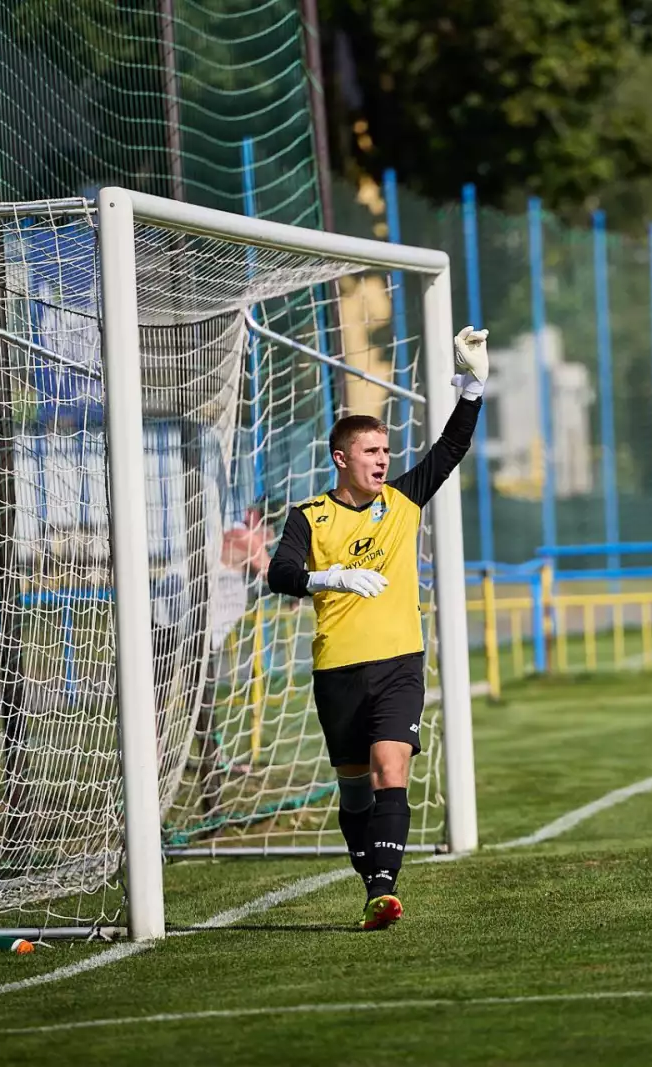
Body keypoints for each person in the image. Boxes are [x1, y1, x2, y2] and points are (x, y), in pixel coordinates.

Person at [266, 326, 489, 930]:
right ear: (342, 458)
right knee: (355, 789)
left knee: (393, 766)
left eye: (386, 452)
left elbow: (448, 452)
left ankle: (386, 887)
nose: (383, 460)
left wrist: (471, 392)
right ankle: (371, 884)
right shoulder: (308, 515)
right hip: (337, 667)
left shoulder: (404, 500)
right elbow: (279, 574)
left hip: (398, 661)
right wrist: (328, 577)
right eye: (371, 453)